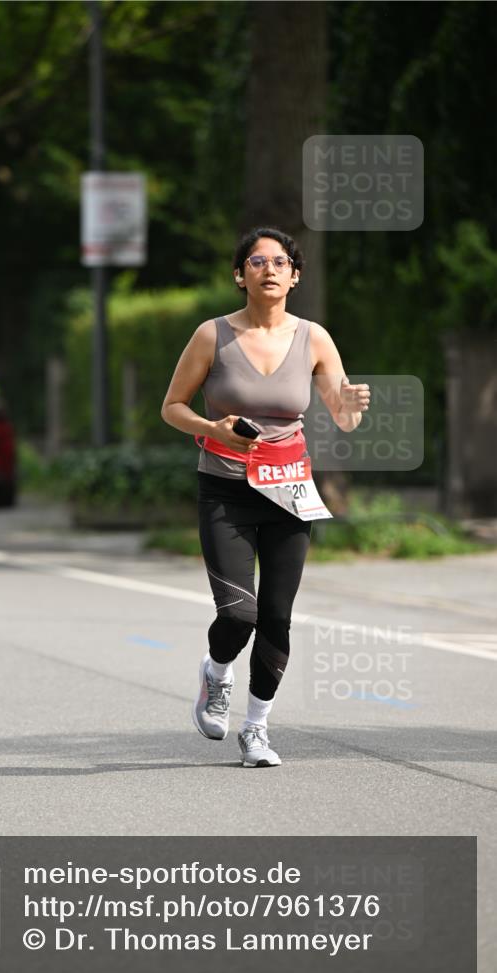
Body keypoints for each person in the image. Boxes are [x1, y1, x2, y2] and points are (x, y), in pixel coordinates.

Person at [160, 226, 370, 767]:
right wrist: (213, 428)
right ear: (240, 275)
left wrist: (350, 404)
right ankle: (216, 674)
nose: (269, 269)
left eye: (281, 262)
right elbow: (172, 407)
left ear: (295, 276)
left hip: (288, 490)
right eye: (257, 261)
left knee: (277, 616)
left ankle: (256, 731)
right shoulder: (212, 335)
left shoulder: (314, 338)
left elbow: (342, 418)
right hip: (225, 489)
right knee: (239, 615)